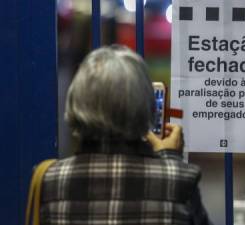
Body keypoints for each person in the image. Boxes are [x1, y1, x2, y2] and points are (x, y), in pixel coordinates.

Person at [40, 45, 212, 225]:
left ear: (76, 100)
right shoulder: (179, 181)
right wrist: (169, 161)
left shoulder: (50, 180)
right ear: (145, 105)